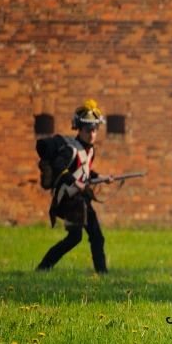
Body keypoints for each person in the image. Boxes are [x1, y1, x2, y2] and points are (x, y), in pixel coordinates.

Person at [37, 100, 113, 273]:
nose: (91, 134)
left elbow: (85, 172)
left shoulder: (91, 150)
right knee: (75, 238)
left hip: (82, 198)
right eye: (88, 131)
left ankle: (102, 273)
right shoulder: (71, 149)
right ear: (79, 129)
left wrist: (102, 177)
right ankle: (43, 267)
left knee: (94, 237)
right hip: (70, 199)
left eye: (94, 130)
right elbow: (58, 167)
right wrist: (75, 182)